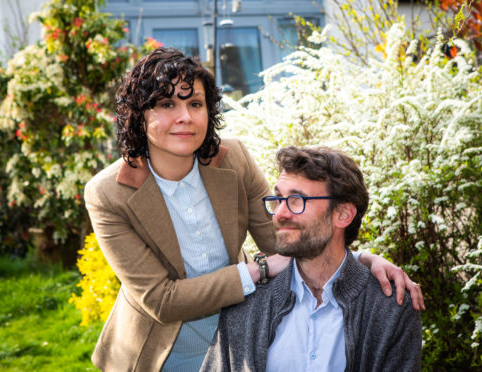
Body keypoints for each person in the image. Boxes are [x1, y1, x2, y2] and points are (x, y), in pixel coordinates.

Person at [84, 48, 424, 372]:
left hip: (239, 341)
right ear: (139, 115)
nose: (185, 117)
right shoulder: (108, 194)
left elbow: (286, 236)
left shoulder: (233, 159)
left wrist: (362, 261)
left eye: (196, 103)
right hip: (162, 354)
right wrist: (257, 271)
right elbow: (162, 300)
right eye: (167, 104)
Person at [200, 146, 422, 372]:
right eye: (279, 199)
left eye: (297, 199)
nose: (279, 214)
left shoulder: (390, 307)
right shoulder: (247, 302)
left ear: (343, 214)